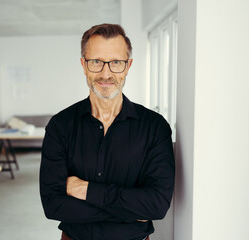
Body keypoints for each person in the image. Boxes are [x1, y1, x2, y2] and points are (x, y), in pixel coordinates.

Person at [39, 23, 175, 240]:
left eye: (116, 63)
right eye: (96, 62)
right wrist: (130, 211)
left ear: (128, 66)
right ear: (83, 65)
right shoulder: (60, 125)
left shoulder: (154, 127)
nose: (106, 73)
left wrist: (84, 190)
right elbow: (52, 205)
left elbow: (156, 205)